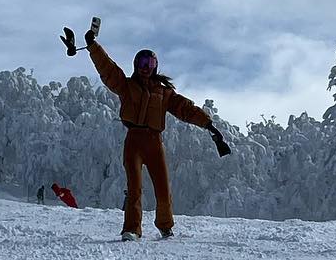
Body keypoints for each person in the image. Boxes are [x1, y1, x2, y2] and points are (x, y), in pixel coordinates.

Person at [83, 25, 231, 240]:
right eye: (143, 63)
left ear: (155, 66)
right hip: (133, 140)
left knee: (163, 188)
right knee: (134, 188)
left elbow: (186, 109)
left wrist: (209, 125)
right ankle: (132, 230)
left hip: (154, 142)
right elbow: (108, 69)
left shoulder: (164, 93)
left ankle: (165, 226)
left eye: (150, 63)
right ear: (136, 65)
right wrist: (92, 45)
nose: (146, 67)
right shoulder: (126, 86)